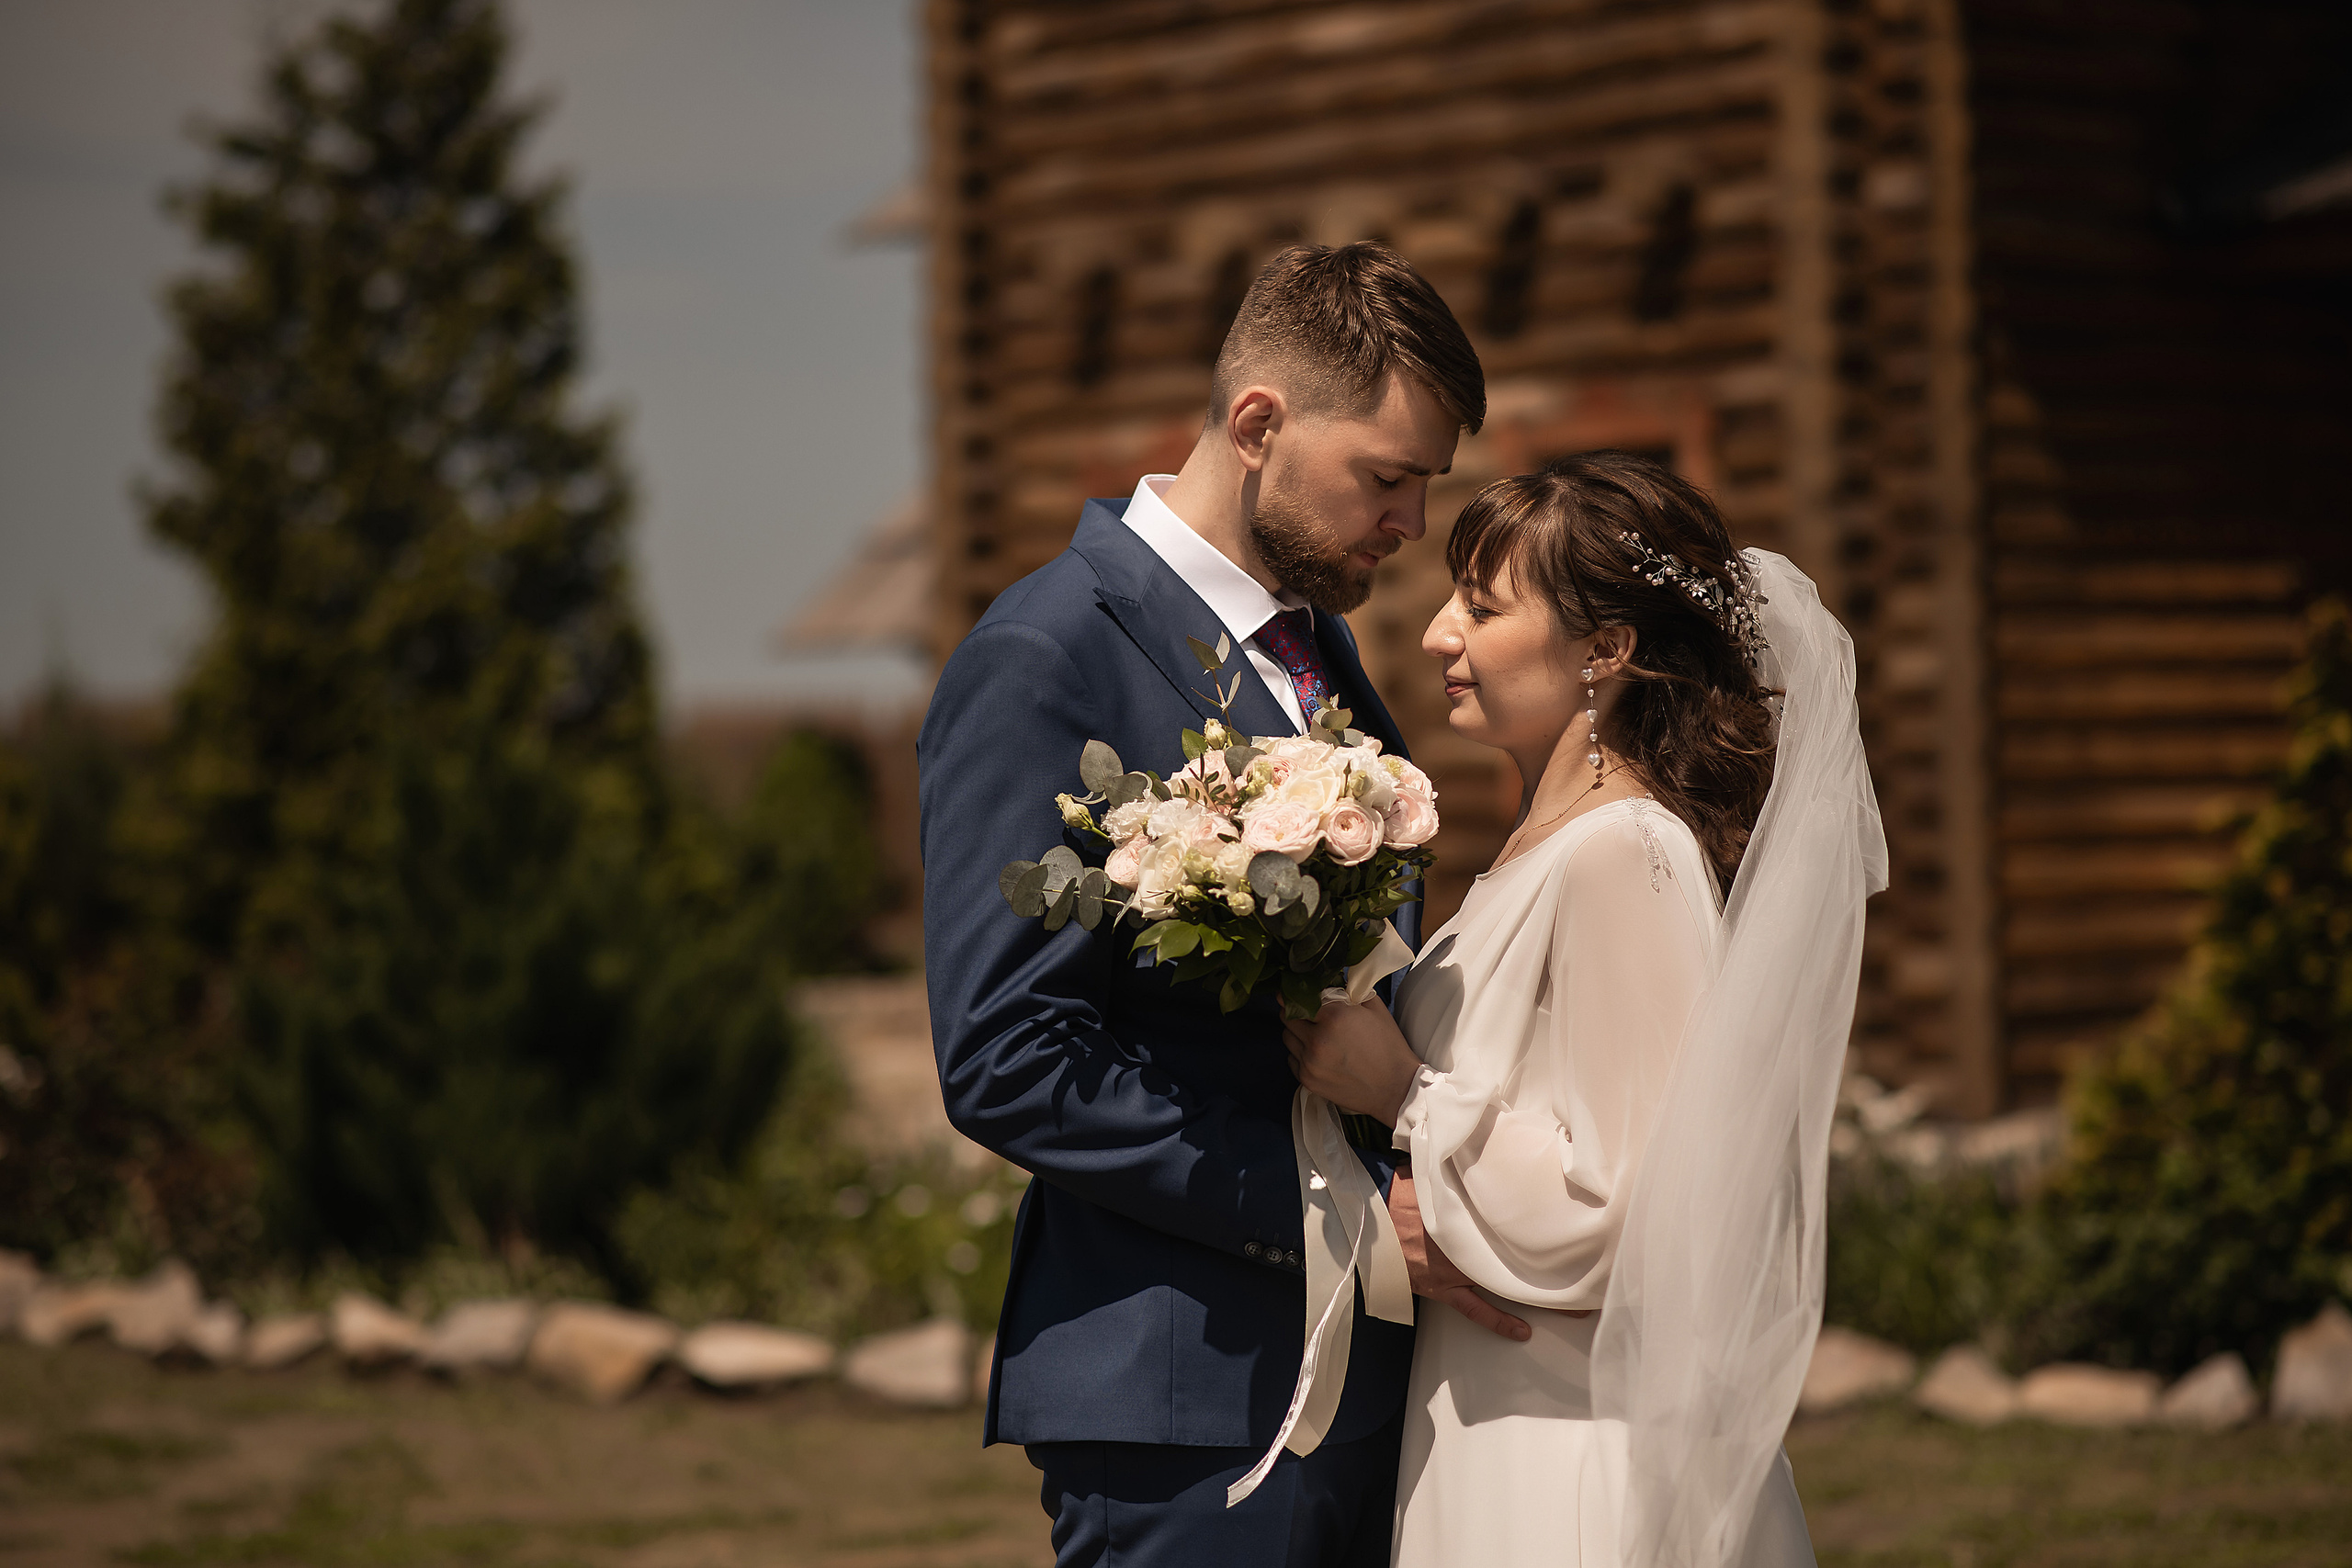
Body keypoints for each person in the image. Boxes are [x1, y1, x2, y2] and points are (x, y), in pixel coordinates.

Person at [920, 242, 1523, 1568]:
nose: (1410, 525)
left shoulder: (1319, 647)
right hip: (1186, 1394)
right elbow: (1010, 1059)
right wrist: (1339, 1225)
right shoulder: (1045, 655)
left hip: (1368, 1375)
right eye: (1387, 478)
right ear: (1258, 424)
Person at [1288, 452, 1886, 1567]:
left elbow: (1645, 1208)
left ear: (1603, 652)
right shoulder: (1538, 850)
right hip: (1488, 1414)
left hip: (1568, 1451)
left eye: (1482, 604)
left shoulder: (1625, 854)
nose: (1435, 635)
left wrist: (1404, 1093)